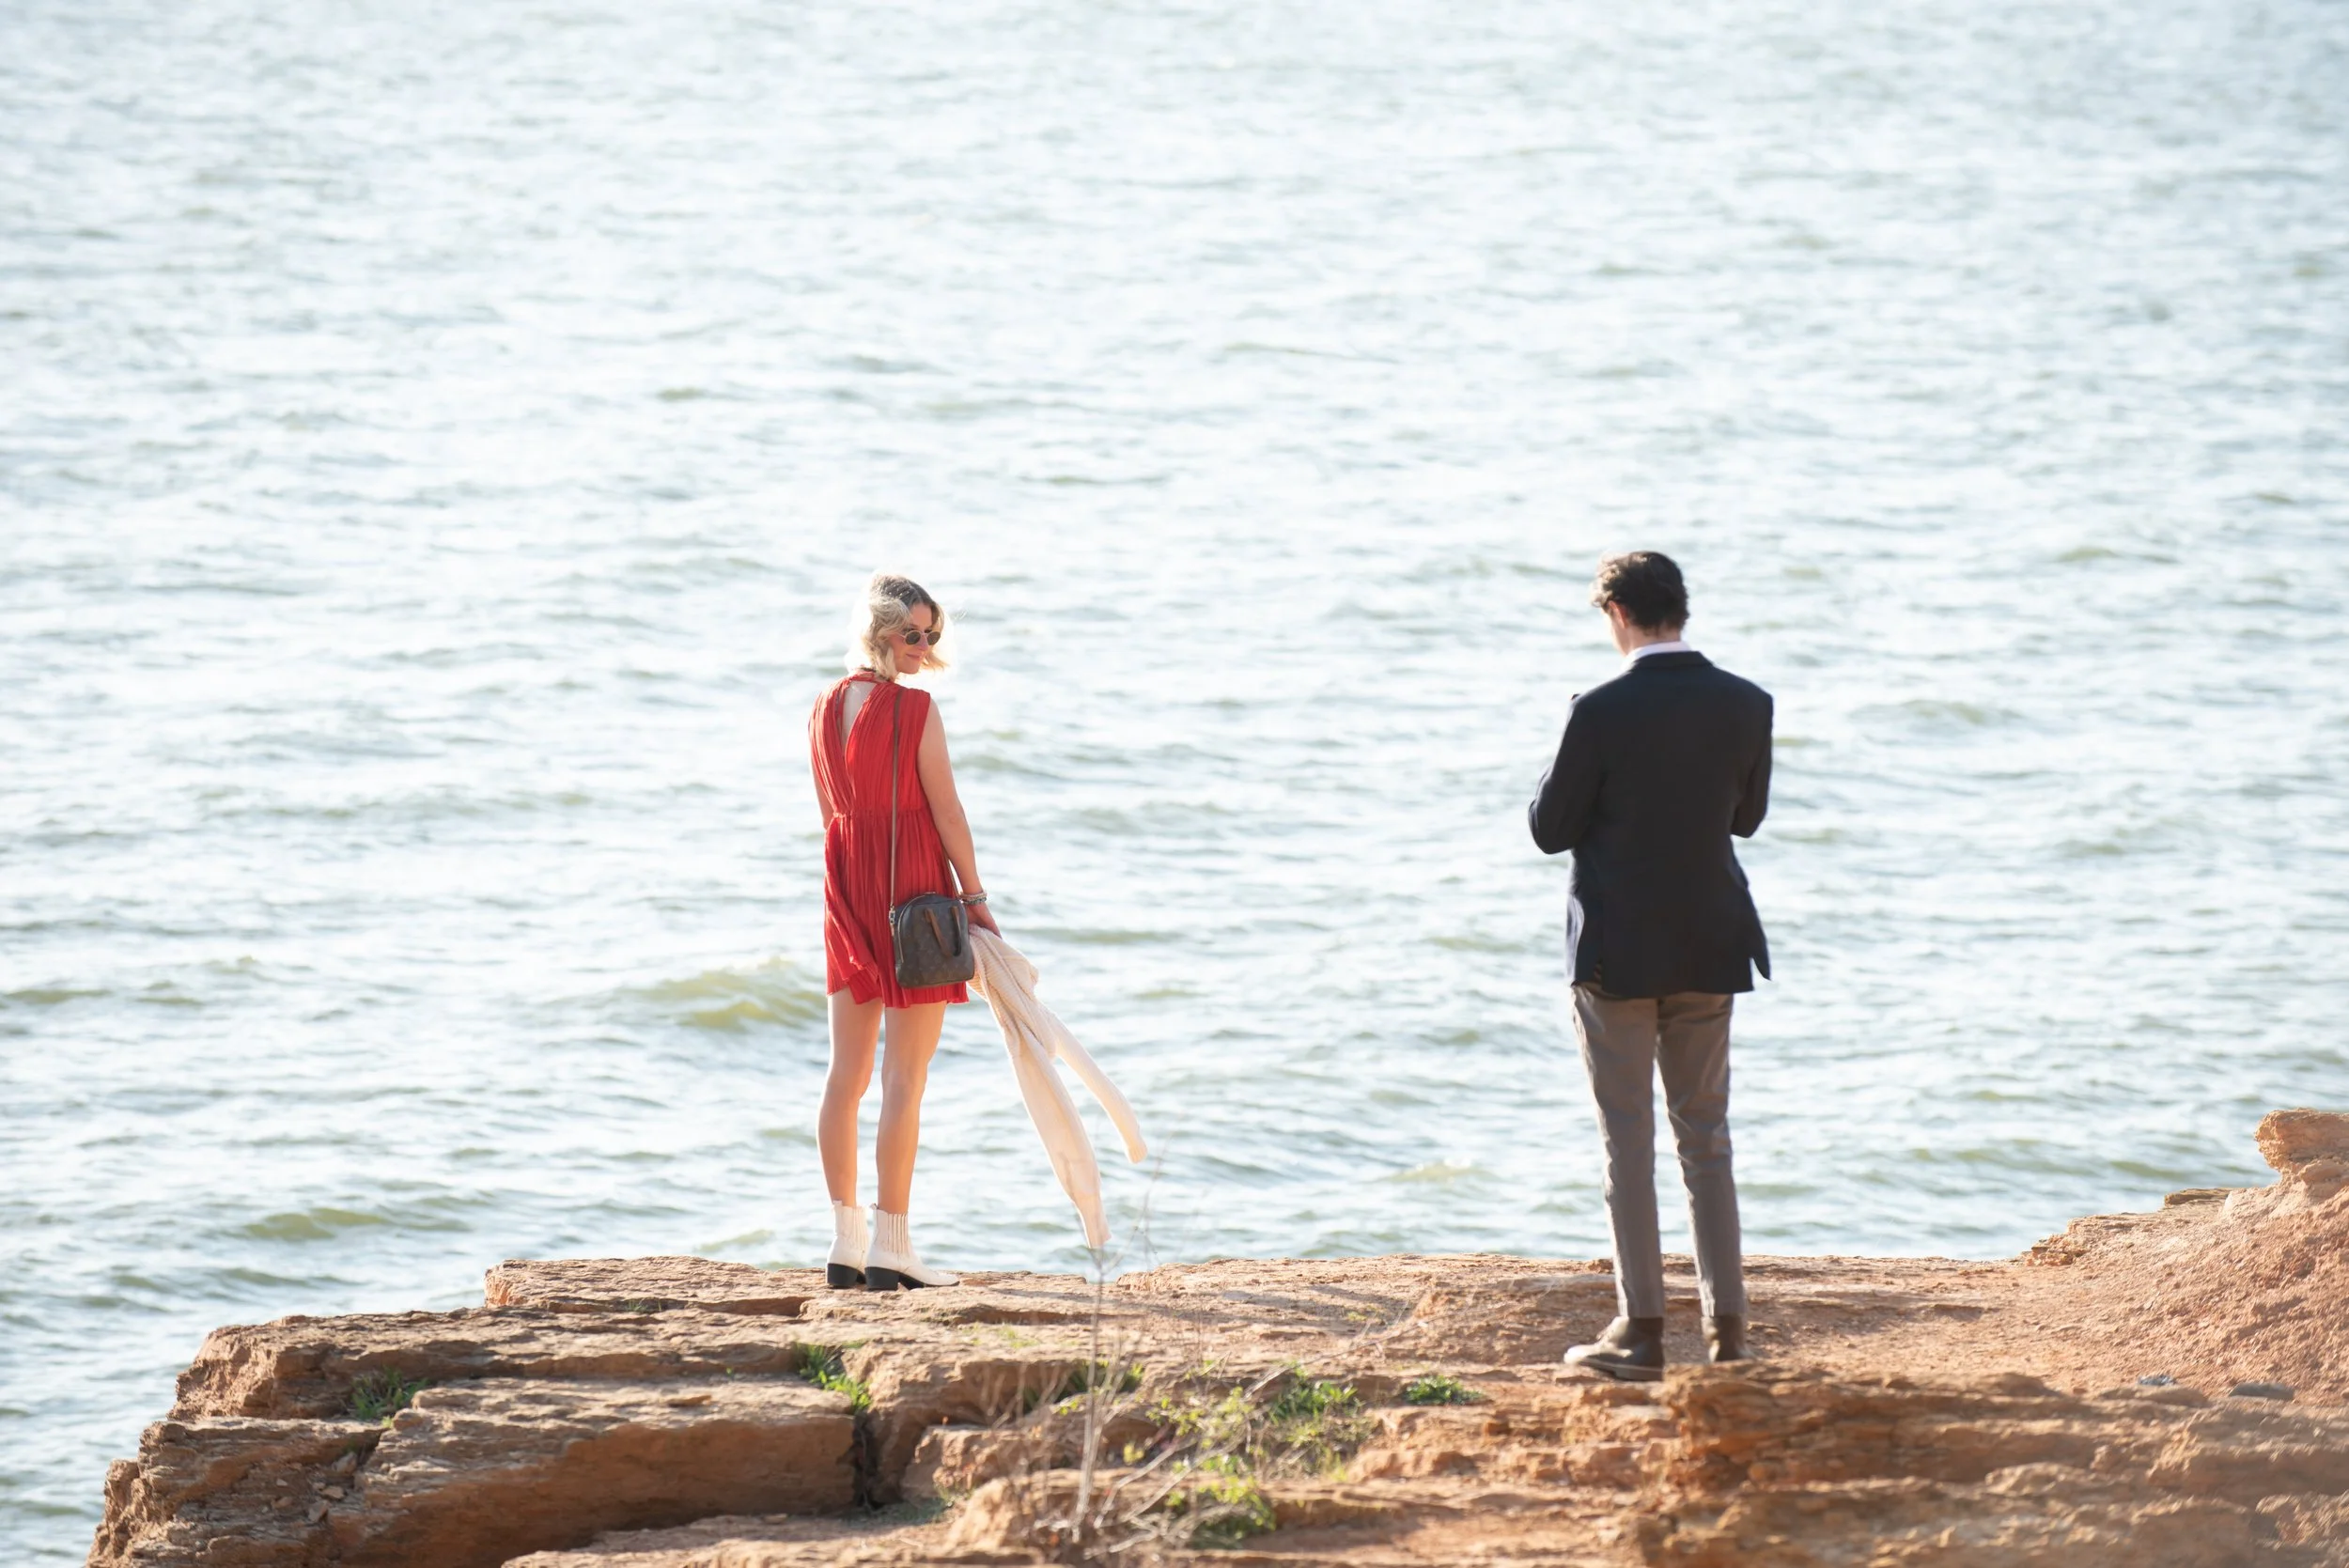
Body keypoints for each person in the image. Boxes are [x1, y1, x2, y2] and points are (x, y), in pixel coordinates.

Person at [1528, 551, 1773, 1381]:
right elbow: (1747, 819)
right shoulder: (1747, 702)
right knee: (1707, 1140)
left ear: (1618, 615)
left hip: (1616, 956)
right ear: (1680, 610)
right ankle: (1730, 1334)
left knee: (1627, 1142)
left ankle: (1641, 1331)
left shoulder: (1596, 708)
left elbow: (1549, 828)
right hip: (1711, 943)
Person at [808, 573, 999, 1290]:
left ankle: (842, 1242)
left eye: (932, 634)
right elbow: (946, 812)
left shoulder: (823, 707)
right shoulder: (915, 710)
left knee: (845, 1075)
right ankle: (891, 1243)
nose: (924, 647)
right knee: (903, 1079)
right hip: (914, 888)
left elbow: (830, 808)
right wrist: (974, 896)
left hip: (848, 884)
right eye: (912, 634)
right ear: (881, 633)